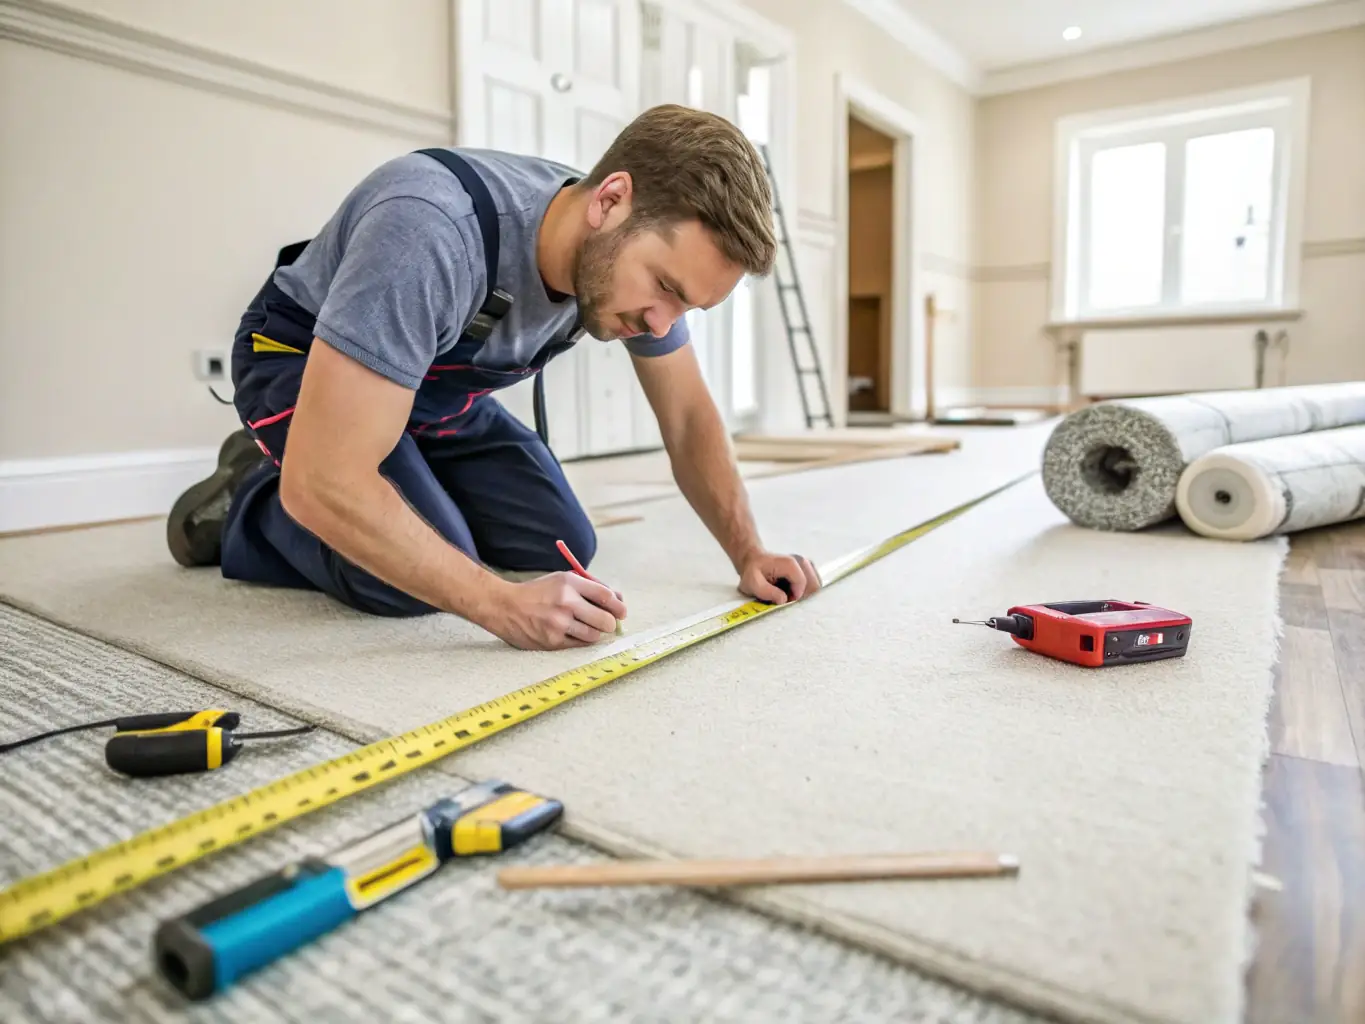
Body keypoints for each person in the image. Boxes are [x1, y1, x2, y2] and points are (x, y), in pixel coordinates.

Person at [166, 103, 821, 651]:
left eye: (687, 308)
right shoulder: (429, 228)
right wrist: (497, 605)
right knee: (398, 579)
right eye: (665, 289)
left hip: (432, 395)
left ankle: (402, 477)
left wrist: (748, 553)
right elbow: (327, 484)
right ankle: (247, 498)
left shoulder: (632, 261)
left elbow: (685, 419)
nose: (661, 325)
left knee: (560, 545)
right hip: (303, 361)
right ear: (612, 200)